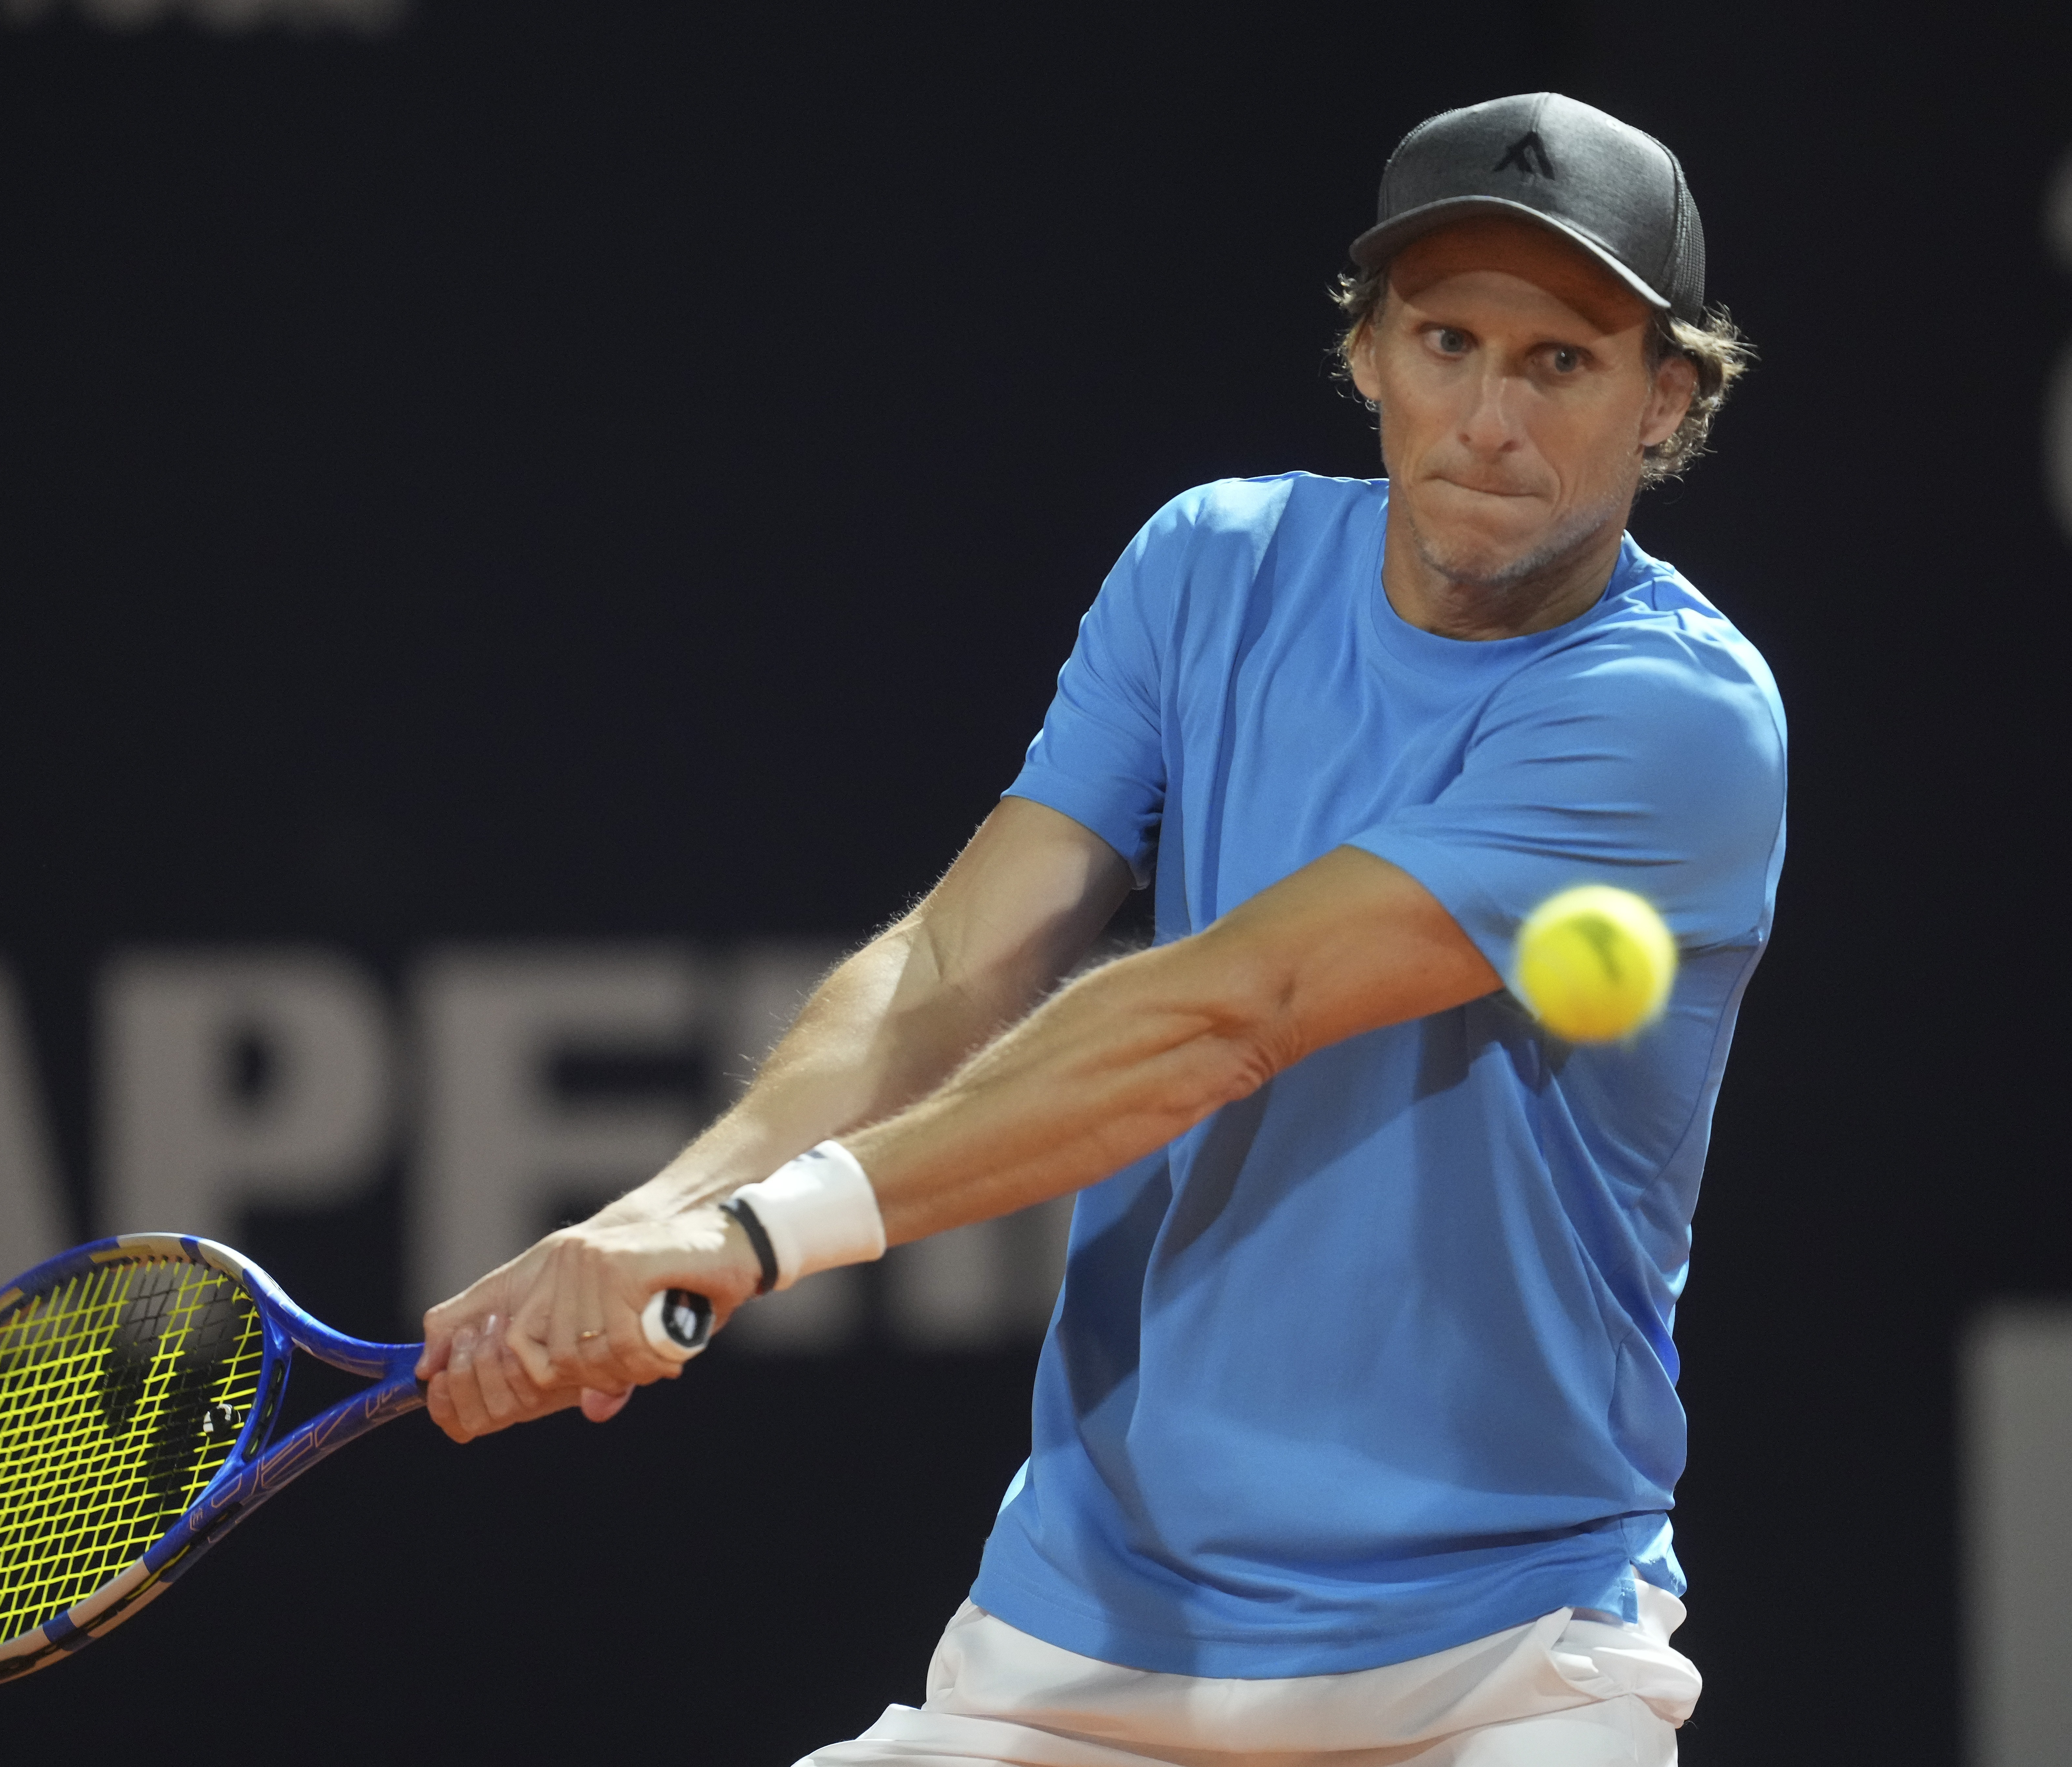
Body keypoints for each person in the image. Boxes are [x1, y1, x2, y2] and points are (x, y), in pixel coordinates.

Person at [415, 91, 1784, 1767]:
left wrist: (763, 1241)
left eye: (1560, 362)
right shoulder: (1205, 567)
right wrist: (657, 1214)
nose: (1489, 415)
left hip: (1497, 1668)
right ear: (1366, 355)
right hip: (1083, 1640)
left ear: (1667, 400)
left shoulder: (1675, 718)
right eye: (1445, 342)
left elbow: (1231, 1010)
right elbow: (953, 957)